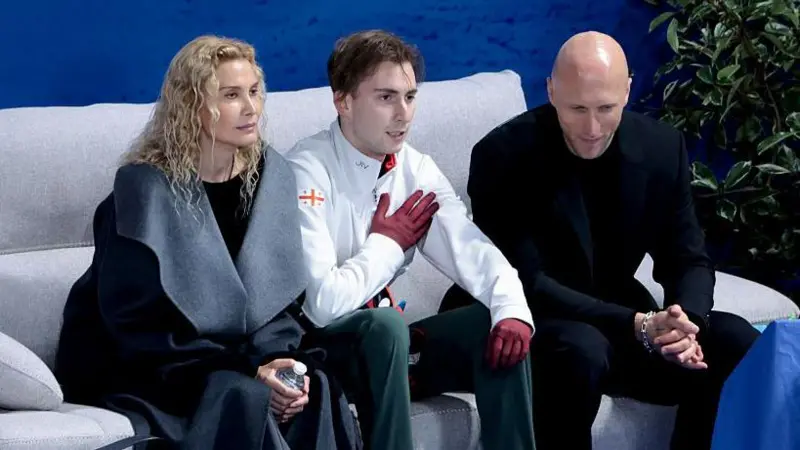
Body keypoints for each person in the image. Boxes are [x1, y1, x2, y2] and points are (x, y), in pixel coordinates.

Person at [444, 30, 760, 450]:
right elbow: (528, 282)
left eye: (606, 108)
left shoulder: (662, 147)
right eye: (576, 108)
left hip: (618, 321)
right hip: (528, 319)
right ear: (551, 90)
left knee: (734, 338)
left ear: (628, 90)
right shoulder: (502, 155)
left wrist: (686, 324)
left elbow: (687, 258)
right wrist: (639, 325)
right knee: (582, 349)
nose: (592, 128)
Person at [54, 35, 361, 450]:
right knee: (242, 395)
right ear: (191, 104)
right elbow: (138, 327)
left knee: (314, 387)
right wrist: (252, 371)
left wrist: (278, 367)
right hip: (157, 366)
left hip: (239, 361)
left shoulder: (273, 177)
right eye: (231, 95)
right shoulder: (143, 191)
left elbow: (279, 303)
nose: (251, 108)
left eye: (254, 92)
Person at [283, 29, 537, 450]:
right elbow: (321, 305)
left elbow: (472, 250)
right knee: (385, 325)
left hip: (390, 349)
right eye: (386, 98)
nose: (404, 114)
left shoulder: (415, 168)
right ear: (343, 101)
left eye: (410, 96)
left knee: (490, 323)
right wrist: (386, 245)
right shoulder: (305, 170)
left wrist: (511, 308)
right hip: (321, 353)